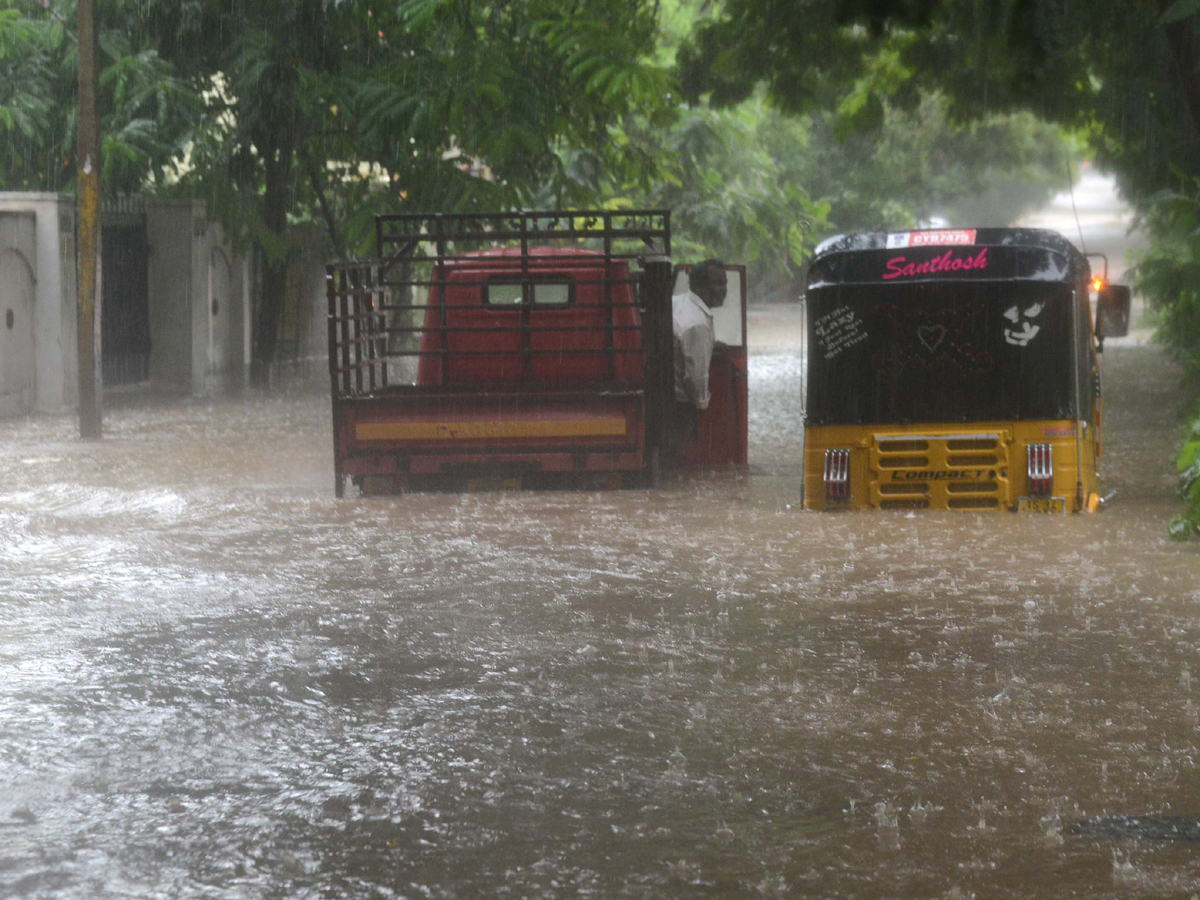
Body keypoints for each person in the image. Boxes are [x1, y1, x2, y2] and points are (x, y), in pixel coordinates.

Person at [670, 259, 726, 461]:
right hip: (680, 408)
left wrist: (710, 344)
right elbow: (696, 377)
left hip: (664, 399)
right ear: (700, 286)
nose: (723, 290)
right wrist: (701, 406)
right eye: (717, 283)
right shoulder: (697, 324)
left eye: (724, 283)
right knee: (678, 466)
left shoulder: (678, 302)